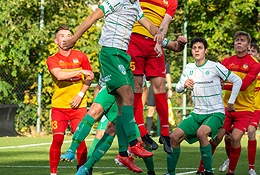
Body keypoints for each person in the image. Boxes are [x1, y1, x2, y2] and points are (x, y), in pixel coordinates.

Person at [62, 0, 165, 172]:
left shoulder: (135, 6)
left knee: (124, 104)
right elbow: (93, 16)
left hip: (123, 56)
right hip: (110, 53)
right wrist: (74, 39)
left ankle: (125, 153)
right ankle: (133, 145)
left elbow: (150, 26)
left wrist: (160, 36)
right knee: (126, 94)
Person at [60, 36, 188, 175]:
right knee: (95, 117)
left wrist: (179, 44)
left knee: (127, 136)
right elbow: (99, 83)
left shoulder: (147, 34)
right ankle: (75, 155)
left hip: (127, 95)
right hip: (109, 89)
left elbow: (144, 87)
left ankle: (147, 170)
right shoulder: (115, 34)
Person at [165, 37, 242, 175]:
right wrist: (184, 85)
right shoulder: (189, 67)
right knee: (173, 137)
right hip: (197, 113)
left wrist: (231, 102)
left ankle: (207, 171)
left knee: (202, 133)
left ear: (205, 50)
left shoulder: (215, 66)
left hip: (215, 113)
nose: (196, 50)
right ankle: (170, 173)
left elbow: (237, 80)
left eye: (200, 48)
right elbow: (178, 88)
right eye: (194, 48)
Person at [127, 0, 178, 154]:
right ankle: (142, 132)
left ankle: (165, 132)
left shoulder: (170, 1)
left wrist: (159, 40)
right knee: (137, 87)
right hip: (135, 42)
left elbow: (164, 24)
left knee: (159, 86)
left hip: (154, 44)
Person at [196, 31, 260, 175]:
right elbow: (214, 78)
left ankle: (231, 172)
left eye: (242, 40)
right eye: (237, 40)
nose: (239, 42)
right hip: (225, 108)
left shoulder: (254, 64)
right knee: (216, 138)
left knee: (235, 138)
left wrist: (224, 84)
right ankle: (201, 170)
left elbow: (243, 86)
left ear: (248, 45)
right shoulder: (226, 62)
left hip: (244, 110)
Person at [218, 42, 260, 175]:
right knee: (227, 137)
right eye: (249, 51)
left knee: (251, 131)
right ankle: (229, 158)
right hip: (234, 107)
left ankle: (251, 168)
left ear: (258, 55)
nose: (250, 54)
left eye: (253, 52)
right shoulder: (237, 66)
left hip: (254, 108)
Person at [46, 25, 95, 175]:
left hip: (78, 107)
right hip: (59, 107)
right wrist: (79, 70)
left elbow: (90, 76)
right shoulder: (52, 59)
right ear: (56, 41)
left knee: (80, 140)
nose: (66, 38)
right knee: (58, 140)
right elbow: (59, 75)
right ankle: (53, 173)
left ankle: (82, 171)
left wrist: (80, 95)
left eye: (69, 35)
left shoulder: (81, 56)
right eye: (62, 35)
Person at [145, 61, 174, 135]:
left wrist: (170, 89)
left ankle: (164, 133)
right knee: (150, 110)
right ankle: (147, 133)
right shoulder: (151, 61)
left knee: (163, 110)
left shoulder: (165, 63)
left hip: (162, 88)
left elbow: (168, 75)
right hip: (152, 87)